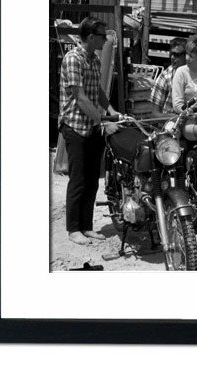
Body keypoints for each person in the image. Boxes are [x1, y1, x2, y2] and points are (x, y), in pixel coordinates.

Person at [59, 17, 121, 245]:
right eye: (103, 36)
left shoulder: (94, 59)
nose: (106, 40)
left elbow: (98, 93)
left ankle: (87, 226)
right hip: (76, 127)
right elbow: (81, 98)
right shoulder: (73, 59)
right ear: (92, 37)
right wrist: (104, 121)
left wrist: (111, 111)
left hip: (93, 126)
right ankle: (73, 229)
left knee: (93, 179)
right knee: (78, 179)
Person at [149, 37, 187, 116]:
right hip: (170, 123)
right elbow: (155, 113)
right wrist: (170, 117)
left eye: (176, 55)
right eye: (171, 54)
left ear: (186, 56)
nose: (172, 57)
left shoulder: (194, 77)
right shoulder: (166, 76)